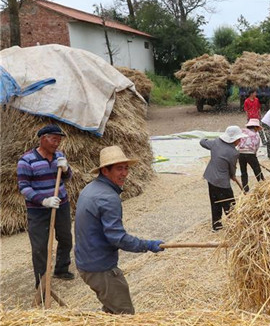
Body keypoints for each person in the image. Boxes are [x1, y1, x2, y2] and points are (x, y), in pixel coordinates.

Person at [74, 146, 165, 314]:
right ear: (105, 171)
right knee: (124, 314)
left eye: (126, 168)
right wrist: (148, 245)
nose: (124, 173)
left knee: (111, 311)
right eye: (119, 169)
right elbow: (118, 238)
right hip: (100, 267)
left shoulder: (90, 188)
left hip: (86, 260)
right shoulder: (108, 197)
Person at [17, 124, 75, 291]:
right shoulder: (26, 161)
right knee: (39, 247)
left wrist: (66, 169)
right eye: (54, 139)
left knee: (65, 238)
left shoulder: (59, 156)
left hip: (61, 204)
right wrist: (43, 201)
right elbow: (24, 188)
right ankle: (41, 281)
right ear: (43, 139)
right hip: (38, 210)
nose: (57, 143)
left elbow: (67, 177)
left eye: (59, 140)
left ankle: (61, 269)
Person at [200, 126, 246, 231]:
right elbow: (232, 168)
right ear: (234, 139)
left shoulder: (216, 142)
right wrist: (232, 175)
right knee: (229, 204)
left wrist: (206, 139)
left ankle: (217, 226)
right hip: (222, 182)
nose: (240, 141)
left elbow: (202, 142)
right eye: (239, 139)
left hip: (211, 178)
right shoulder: (233, 153)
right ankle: (235, 225)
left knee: (215, 202)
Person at [238, 119, 265, 193]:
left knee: (243, 171)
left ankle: (245, 187)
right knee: (257, 170)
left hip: (241, 154)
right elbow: (256, 146)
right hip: (250, 154)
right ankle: (262, 184)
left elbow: (238, 142)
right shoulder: (256, 135)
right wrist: (254, 156)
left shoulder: (242, 131)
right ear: (255, 127)